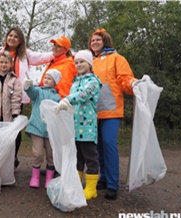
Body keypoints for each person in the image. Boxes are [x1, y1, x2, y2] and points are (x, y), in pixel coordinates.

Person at [0, 27, 53, 168]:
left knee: (14, 127)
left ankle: (12, 157)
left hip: (16, 97)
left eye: (16, 37)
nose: (12, 38)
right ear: (6, 37)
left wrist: (57, 54)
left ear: (20, 41)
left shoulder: (25, 54)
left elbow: (43, 57)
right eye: (10, 35)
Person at [88, 28, 140, 200]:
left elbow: (125, 79)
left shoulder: (117, 58)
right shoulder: (89, 61)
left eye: (98, 40)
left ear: (105, 42)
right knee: (98, 148)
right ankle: (102, 178)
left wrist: (134, 85)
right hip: (92, 111)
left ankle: (112, 184)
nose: (94, 42)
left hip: (111, 109)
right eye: (92, 40)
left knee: (109, 144)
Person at [56, 50, 101, 200]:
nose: (79, 64)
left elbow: (83, 95)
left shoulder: (93, 81)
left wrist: (67, 99)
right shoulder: (75, 82)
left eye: (82, 61)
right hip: (75, 127)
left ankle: (91, 188)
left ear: (89, 64)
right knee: (78, 158)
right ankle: (75, 184)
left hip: (87, 128)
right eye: (76, 62)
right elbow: (70, 104)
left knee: (91, 157)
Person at [23, 69, 62, 189]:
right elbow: (31, 92)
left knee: (51, 155)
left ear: (54, 82)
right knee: (37, 153)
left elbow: (59, 112)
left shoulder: (57, 97)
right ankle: (35, 177)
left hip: (51, 130)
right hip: (36, 127)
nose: (46, 80)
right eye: (45, 77)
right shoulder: (38, 92)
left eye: (50, 78)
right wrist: (28, 86)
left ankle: (49, 179)